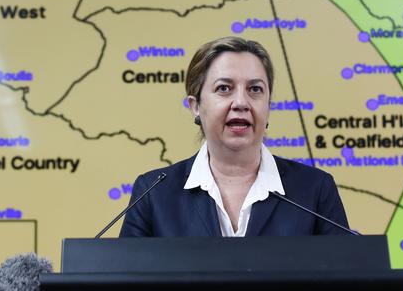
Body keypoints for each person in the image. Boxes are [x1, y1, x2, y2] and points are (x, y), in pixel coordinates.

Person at [120, 37, 350, 237]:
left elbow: (345, 280)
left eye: (255, 89)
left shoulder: (315, 190)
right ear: (195, 106)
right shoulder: (154, 193)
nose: (241, 103)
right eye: (224, 88)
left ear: (268, 105)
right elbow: (126, 283)